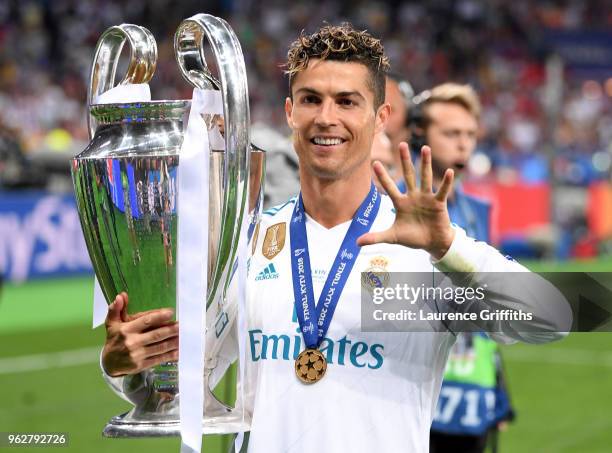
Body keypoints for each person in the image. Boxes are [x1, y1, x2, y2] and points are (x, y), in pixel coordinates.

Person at [100, 24, 568, 453]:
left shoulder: (422, 253)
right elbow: (182, 388)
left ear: (380, 116)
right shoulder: (248, 243)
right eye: (310, 99)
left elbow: (554, 317)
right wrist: (130, 369)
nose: (326, 117)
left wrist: (448, 248)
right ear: (289, 112)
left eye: (347, 101)